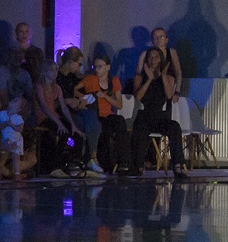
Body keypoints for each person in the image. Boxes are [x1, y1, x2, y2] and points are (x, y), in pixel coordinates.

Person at [127, 48, 186, 179]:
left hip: (160, 117)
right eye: (150, 57)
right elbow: (138, 97)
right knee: (140, 128)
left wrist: (163, 76)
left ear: (161, 60)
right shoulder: (139, 77)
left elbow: (170, 95)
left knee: (175, 126)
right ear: (147, 60)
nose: (153, 60)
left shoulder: (168, 77)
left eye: (156, 57)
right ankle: (138, 166)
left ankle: (177, 165)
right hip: (145, 115)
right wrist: (149, 79)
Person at [75, 54, 129, 174]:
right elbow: (75, 89)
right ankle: (104, 161)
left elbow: (119, 105)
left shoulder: (114, 81)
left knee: (119, 121)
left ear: (107, 67)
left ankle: (124, 161)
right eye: (95, 66)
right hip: (95, 113)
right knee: (105, 128)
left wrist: (104, 96)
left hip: (107, 114)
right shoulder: (90, 79)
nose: (97, 69)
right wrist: (84, 97)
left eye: (100, 66)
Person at [56, 47, 103, 173]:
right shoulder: (57, 77)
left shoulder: (71, 77)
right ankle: (88, 158)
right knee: (86, 124)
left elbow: (74, 93)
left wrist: (80, 100)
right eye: (79, 64)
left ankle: (91, 157)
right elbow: (58, 99)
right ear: (70, 62)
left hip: (74, 107)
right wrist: (70, 101)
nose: (80, 67)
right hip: (62, 110)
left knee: (93, 119)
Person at [141, 28, 183, 104]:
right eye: (156, 37)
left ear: (167, 39)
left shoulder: (172, 52)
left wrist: (177, 91)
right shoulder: (145, 53)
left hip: (168, 88)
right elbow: (139, 73)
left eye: (162, 37)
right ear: (152, 40)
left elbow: (178, 73)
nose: (159, 39)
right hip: (150, 88)